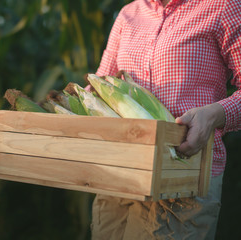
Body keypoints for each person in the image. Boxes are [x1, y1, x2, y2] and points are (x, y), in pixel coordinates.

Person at [89, 0, 241, 239]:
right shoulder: (129, 14)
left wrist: (213, 116)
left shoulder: (223, 7)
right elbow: (99, 85)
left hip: (184, 177)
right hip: (118, 175)